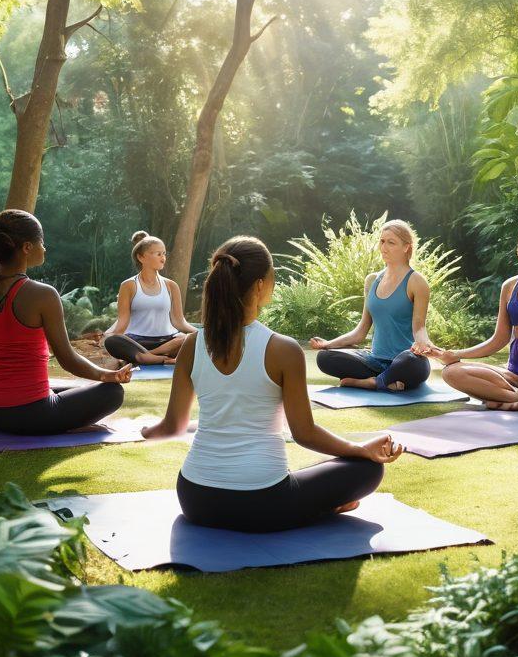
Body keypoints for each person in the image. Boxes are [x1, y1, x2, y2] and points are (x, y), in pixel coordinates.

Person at [142, 236, 404, 533]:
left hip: (195, 499)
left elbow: (173, 426)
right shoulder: (283, 349)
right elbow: (304, 433)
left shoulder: (191, 344)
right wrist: (359, 450)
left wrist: (144, 431)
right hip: (263, 503)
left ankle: (318, 502)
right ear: (259, 286)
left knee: (328, 471)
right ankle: (323, 505)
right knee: (368, 469)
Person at [0, 210, 132, 435]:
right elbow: (68, 360)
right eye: (41, 241)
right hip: (29, 415)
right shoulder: (44, 295)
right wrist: (106, 375)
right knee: (112, 393)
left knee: (73, 389)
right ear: (27, 247)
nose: (45, 247)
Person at [418, 222, 518, 415]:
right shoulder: (509, 286)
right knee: (451, 372)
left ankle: (513, 402)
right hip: (513, 376)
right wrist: (455, 354)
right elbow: (498, 340)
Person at [309, 220, 433, 391]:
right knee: (325, 358)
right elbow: (360, 331)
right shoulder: (372, 280)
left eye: (391, 242)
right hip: (374, 361)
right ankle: (388, 381)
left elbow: (419, 327)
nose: (384, 247)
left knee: (413, 362)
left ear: (406, 247)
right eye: (382, 241)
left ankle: (375, 382)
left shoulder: (417, 282)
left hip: (404, 361)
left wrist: (424, 344)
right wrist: (327, 344)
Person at [101, 232, 196, 365]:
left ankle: (148, 356)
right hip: (136, 340)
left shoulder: (171, 286)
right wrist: (113, 336)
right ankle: (159, 358)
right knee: (112, 341)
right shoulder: (128, 285)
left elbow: (179, 322)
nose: (163, 258)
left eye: (164, 254)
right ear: (141, 257)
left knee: (187, 339)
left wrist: (199, 333)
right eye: (158, 254)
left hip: (167, 341)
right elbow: (122, 322)